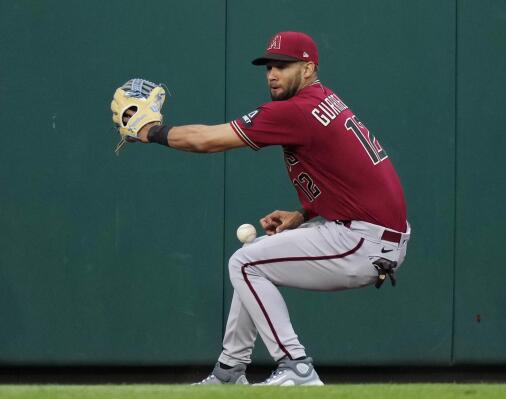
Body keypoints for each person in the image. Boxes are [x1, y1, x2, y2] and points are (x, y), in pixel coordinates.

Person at [127, 31, 410, 386]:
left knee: (244, 264)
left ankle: (296, 366)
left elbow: (207, 140)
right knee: (253, 256)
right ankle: (230, 371)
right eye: (268, 67)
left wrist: (151, 131)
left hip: (362, 240)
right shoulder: (325, 101)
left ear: (308, 68)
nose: (272, 74)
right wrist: (302, 214)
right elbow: (348, 176)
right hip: (372, 233)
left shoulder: (297, 110)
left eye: (283, 66)